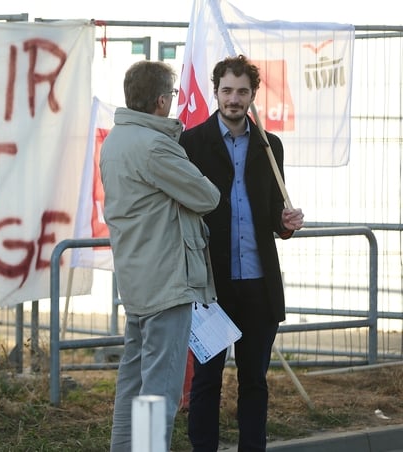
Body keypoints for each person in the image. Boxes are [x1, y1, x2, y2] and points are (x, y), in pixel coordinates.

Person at [180, 54, 305, 452]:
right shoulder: (191, 143)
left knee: (254, 380)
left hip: (258, 284)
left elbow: (273, 218)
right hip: (210, 287)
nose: (234, 99)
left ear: (253, 95)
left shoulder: (271, 146)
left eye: (242, 92)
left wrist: (286, 222)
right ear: (215, 92)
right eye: (227, 91)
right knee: (206, 380)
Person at [99, 60, 220, 452]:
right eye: (172, 96)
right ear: (161, 101)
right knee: (160, 392)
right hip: (167, 281)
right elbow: (207, 196)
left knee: (132, 383)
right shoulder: (155, 145)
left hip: (136, 279)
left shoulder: (116, 140)